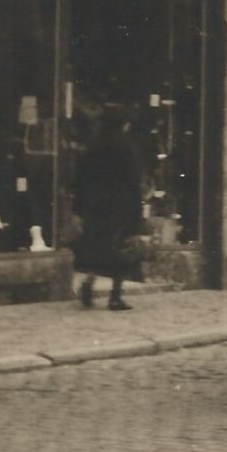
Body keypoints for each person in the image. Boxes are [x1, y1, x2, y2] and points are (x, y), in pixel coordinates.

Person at [72, 108, 144, 311]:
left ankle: (88, 284)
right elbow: (133, 182)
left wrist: (79, 208)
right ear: (124, 124)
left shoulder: (93, 146)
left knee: (97, 250)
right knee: (120, 252)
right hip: (120, 208)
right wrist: (137, 215)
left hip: (95, 208)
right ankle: (115, 296)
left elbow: (80, 179)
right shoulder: (126, 146)